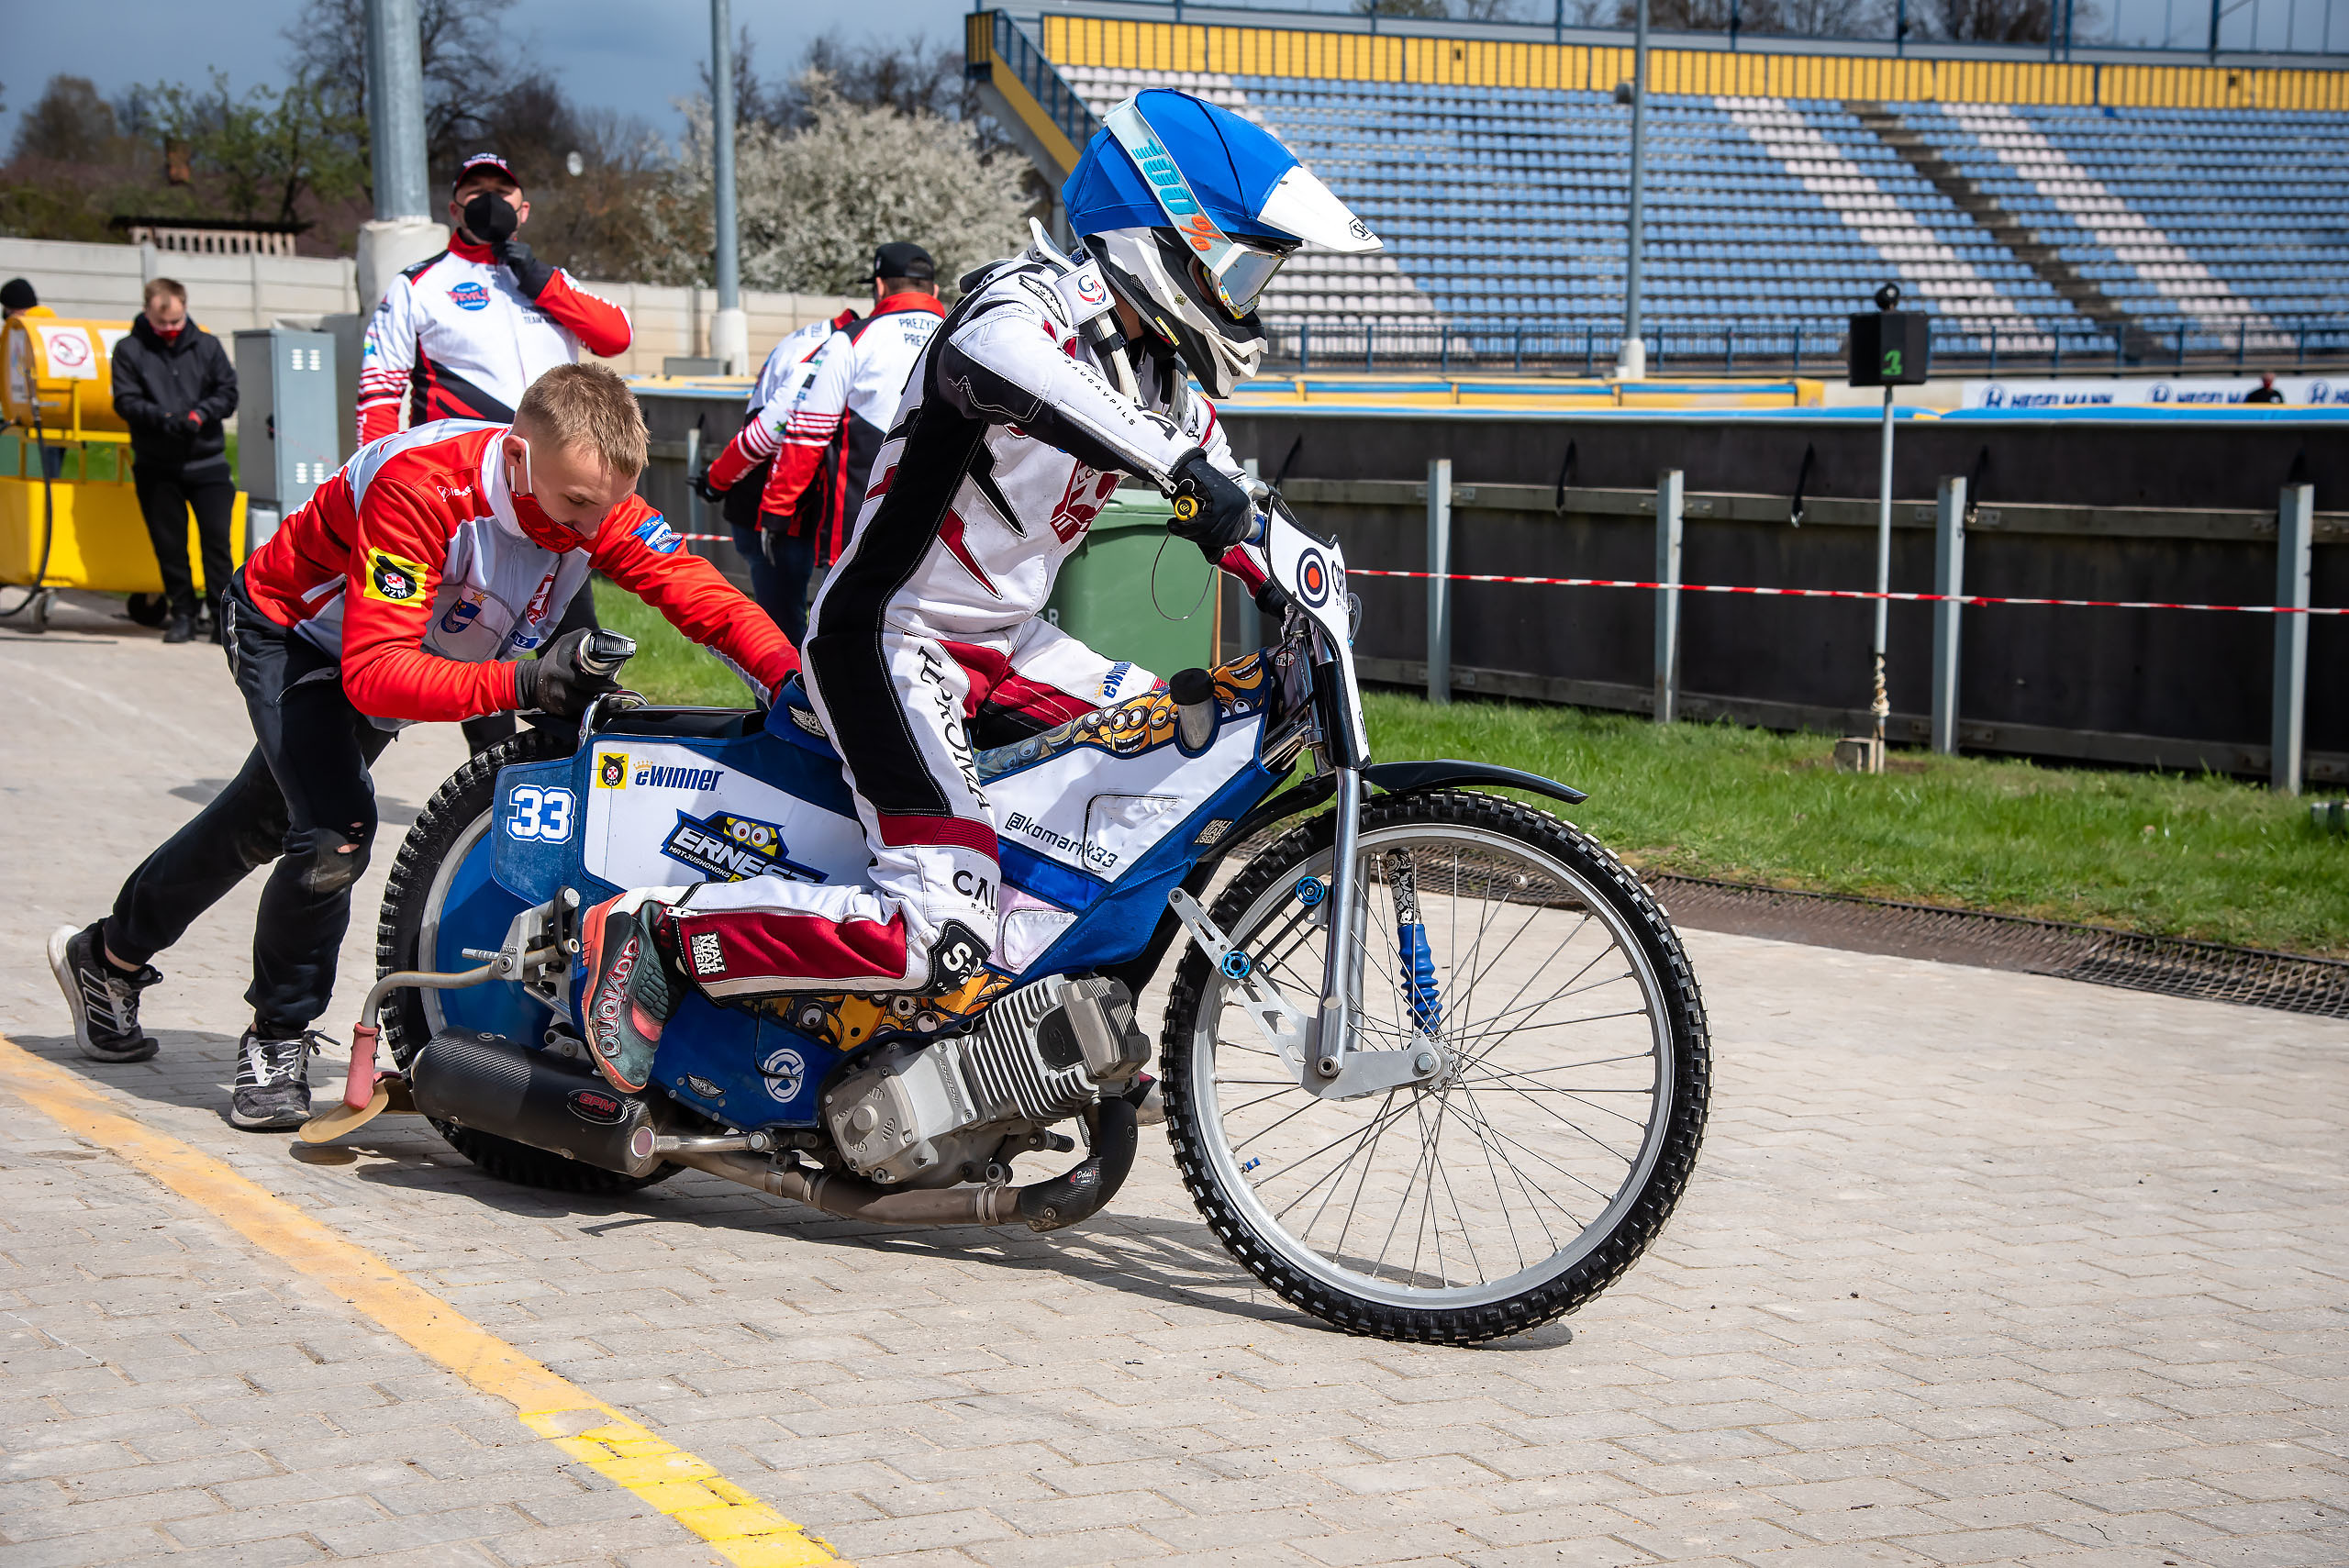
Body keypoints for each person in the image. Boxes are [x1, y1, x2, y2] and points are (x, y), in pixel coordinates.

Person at [570, 89, 1380, 1097]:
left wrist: (1302, 571)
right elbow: (1006, 364)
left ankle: (1046, 1030)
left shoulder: (1156, 375)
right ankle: (663, 928)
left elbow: (1229, 495)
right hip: (887, 639)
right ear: (1166, 235)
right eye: (1242, 265)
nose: (1247, 294)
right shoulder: (1022, 303)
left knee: (1183, 748)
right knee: (945, 933)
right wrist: (1189, 475)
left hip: (1005, 645)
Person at [48, 364, 799, 1131]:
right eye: (574, 505)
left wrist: (795, 686)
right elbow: (373, 677)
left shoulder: (590, 496)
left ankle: (107, 957)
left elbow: (703, 596)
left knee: (261, 819)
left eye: (602, 509)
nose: (587, 528)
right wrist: (522, 682)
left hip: (414, 641)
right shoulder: (421, 487)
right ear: (516, 457)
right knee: (332, 832)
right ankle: (276, 1037)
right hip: (297, 636)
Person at [356, 150, 630, 753]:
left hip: (554, 507)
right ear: (454, 207)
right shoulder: (418, 284)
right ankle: (354, 810)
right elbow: (379, 396)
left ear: (522, 209)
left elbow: (616, 336)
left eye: (501, 191)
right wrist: (376, 497)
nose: (488, 199)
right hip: (466, 506)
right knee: (459, 663)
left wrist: (540, 281)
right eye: (474, 189)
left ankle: (562, 784)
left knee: (580, 666)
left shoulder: (550, 282)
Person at [696, 245, 944, 643]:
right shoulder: (969, 334)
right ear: (935, 287)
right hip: (949, 527)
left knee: (842, 642)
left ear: (879, 287)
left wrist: (775, 514)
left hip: (860, 528)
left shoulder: (851, 339)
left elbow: (804, 436)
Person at [707, 305, 858, 635]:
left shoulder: (814, 337)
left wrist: (717, 481)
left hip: (776, 502)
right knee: (785, 630)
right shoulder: (835, 347)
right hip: (782, 509)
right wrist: (717, 480)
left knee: (789, 621)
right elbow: (766, 430)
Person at [112, 278, 239, 644]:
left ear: (185, 311)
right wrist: (163, 419)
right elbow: (125, 400)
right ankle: (182, 612)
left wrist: (201, 414)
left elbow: (227, 392)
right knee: (170, 544)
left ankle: (220, 616)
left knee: (217, 542)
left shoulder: (207, 345)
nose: (170, 330)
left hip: (207, 462)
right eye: (162, 323)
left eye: (176, 322)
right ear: (148, 312)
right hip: (157, 464)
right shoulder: (130, 349)